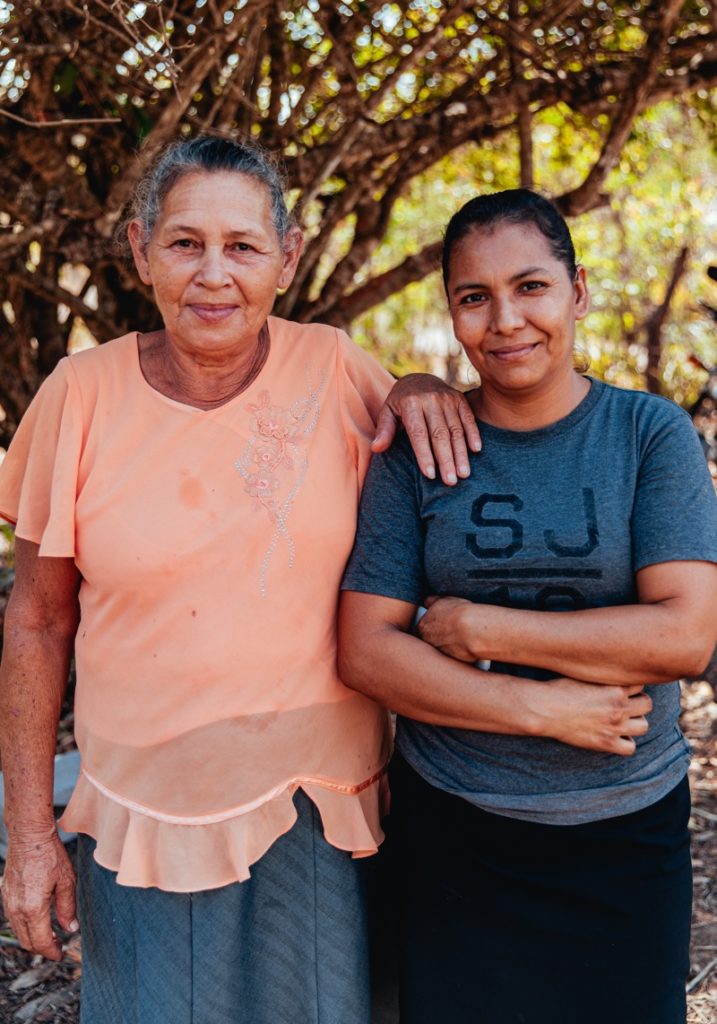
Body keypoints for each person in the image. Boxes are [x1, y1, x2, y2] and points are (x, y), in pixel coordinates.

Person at [0, 133, 488, 1024]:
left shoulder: (335, 367)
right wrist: (29, 836)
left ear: (287, 258)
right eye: (185, 243)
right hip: (145, 814)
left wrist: (419, 380)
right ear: (143, 251)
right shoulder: (80, 394)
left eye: (243, 247)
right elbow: (36, 622)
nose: (213, 274)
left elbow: (429, 437)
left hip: (321, 805)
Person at [339, 189, 717, 1024]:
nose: (504, 320)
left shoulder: (647, 435)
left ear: (577, 290)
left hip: (624, 832)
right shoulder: (421, 451)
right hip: (456, 834)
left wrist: (481, 626)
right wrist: (542, 710)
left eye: (530, 287)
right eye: (474, 298)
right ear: (452, 314)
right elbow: (365, 649)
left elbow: (684, 635)